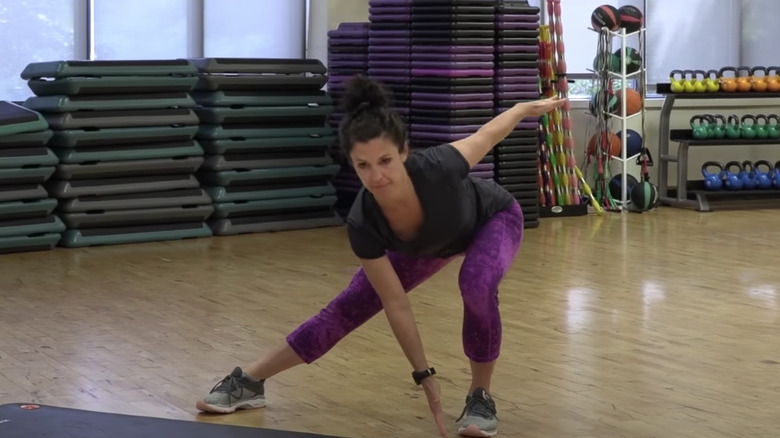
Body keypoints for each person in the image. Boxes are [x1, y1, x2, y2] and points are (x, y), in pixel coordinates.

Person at [195, 74, 566, 438]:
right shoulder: (364, 222)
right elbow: (396, 303)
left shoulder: (439, 166)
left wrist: (522, 108)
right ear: (353, 165)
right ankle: (249, 380)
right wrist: (424, 375)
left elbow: (488, 134)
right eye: (363, 166)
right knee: (348, 307)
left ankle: (480, 396)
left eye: (386, 160)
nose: (377, 176)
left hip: (491, 220)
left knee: (477, 283)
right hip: (427, 244)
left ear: (404, 151)